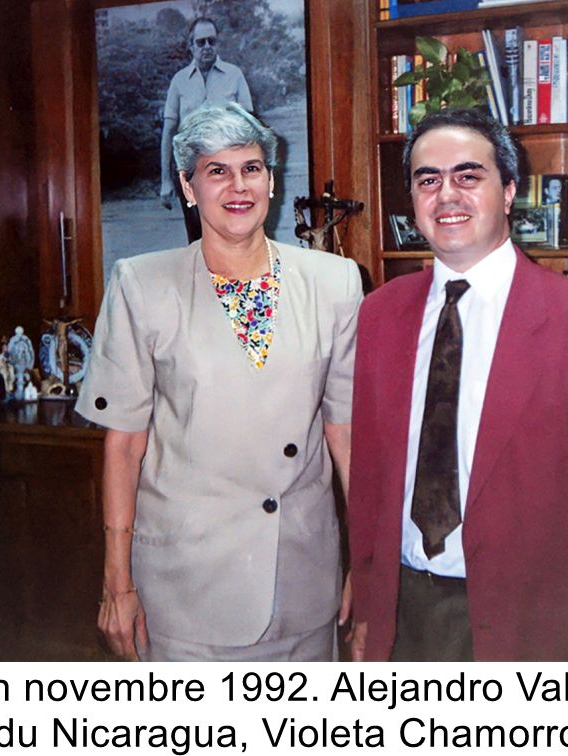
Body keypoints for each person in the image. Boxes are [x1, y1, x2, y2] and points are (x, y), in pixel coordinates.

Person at [347, 108, 568, 661]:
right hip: (403, 619)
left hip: (529, 630)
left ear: (510, 191)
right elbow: (370, 481)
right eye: (428, 180)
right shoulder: (379, 315)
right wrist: (371, 612)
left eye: (469, 176)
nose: (447, 195)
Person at [78, 102, 362, 661]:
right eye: (217, 171)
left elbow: (344, 431)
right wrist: (117, 582)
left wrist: (369, 566)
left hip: (303, 584)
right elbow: (125, 444)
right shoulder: (141, 285)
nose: (238, 186)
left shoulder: (335, 282)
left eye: (251, 168)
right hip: (188, 589)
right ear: (188, 186)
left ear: (272, 181)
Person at [160, 16, 253, 243]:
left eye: (212, 41)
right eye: (200, 42)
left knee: (230, 233)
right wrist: (165, 181)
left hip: (229, 170)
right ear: (190, 46)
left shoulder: (234, 76)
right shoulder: (179, 81)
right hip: (191, 172)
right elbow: (169, 132)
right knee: (197, 237)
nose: (207, 47)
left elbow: (251, 126)